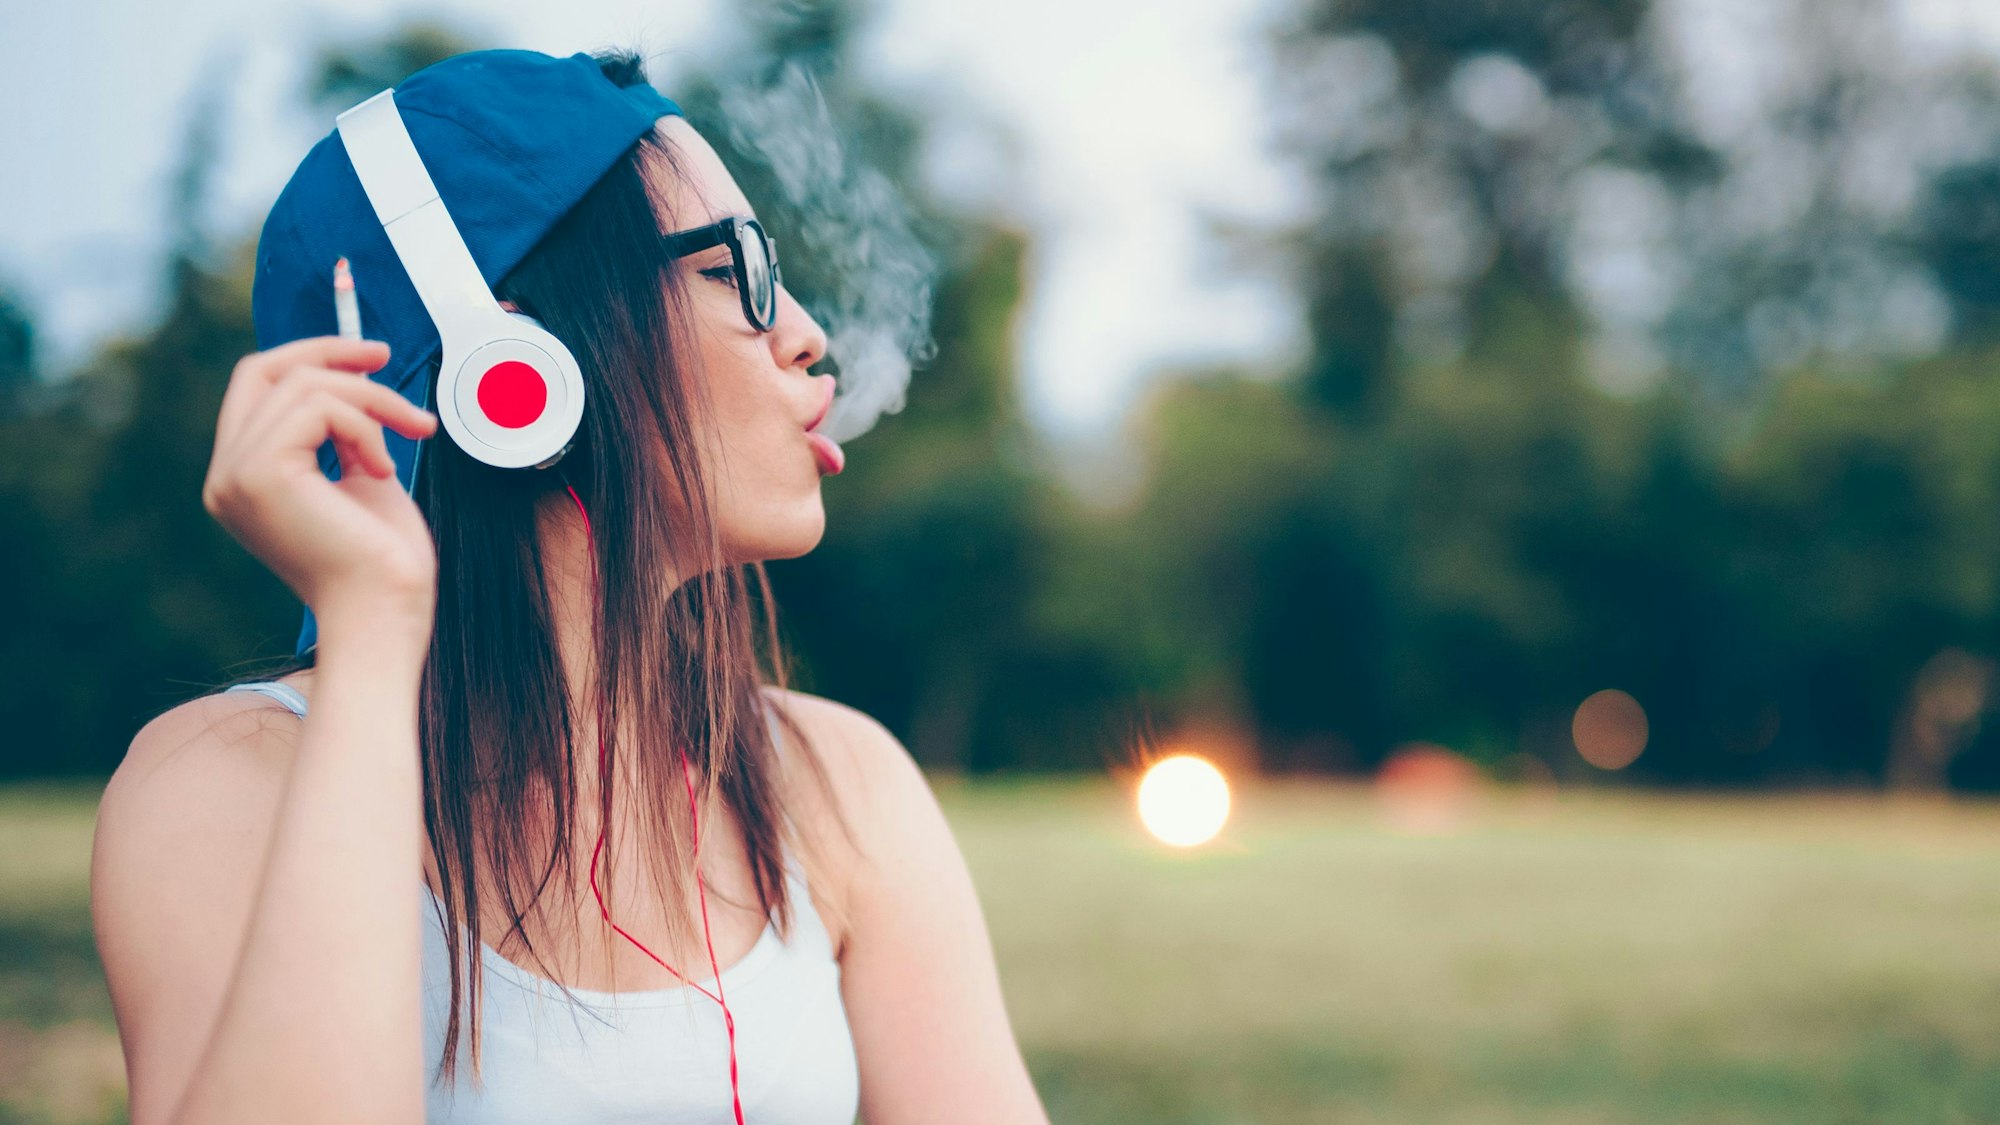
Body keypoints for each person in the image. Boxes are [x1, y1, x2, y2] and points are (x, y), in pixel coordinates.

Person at [87, 47, 1049, 1125]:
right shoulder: (223, 785)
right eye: (737, 273)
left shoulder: (834, 784)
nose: (808, 336)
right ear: (509, 361)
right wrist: (370, 628)